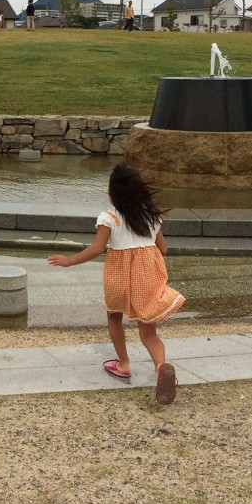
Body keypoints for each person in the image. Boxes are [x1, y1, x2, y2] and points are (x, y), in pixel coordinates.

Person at [47, 163, 185, 406]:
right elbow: (163, 249)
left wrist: (69, 261)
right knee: (149, 333)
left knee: (114, 317)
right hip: (146, 279)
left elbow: (97, 248)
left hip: (119, 278)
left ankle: (123, 364)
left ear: (115, 194)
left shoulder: (108, 218)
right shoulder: (150, 217)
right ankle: (161, 368)